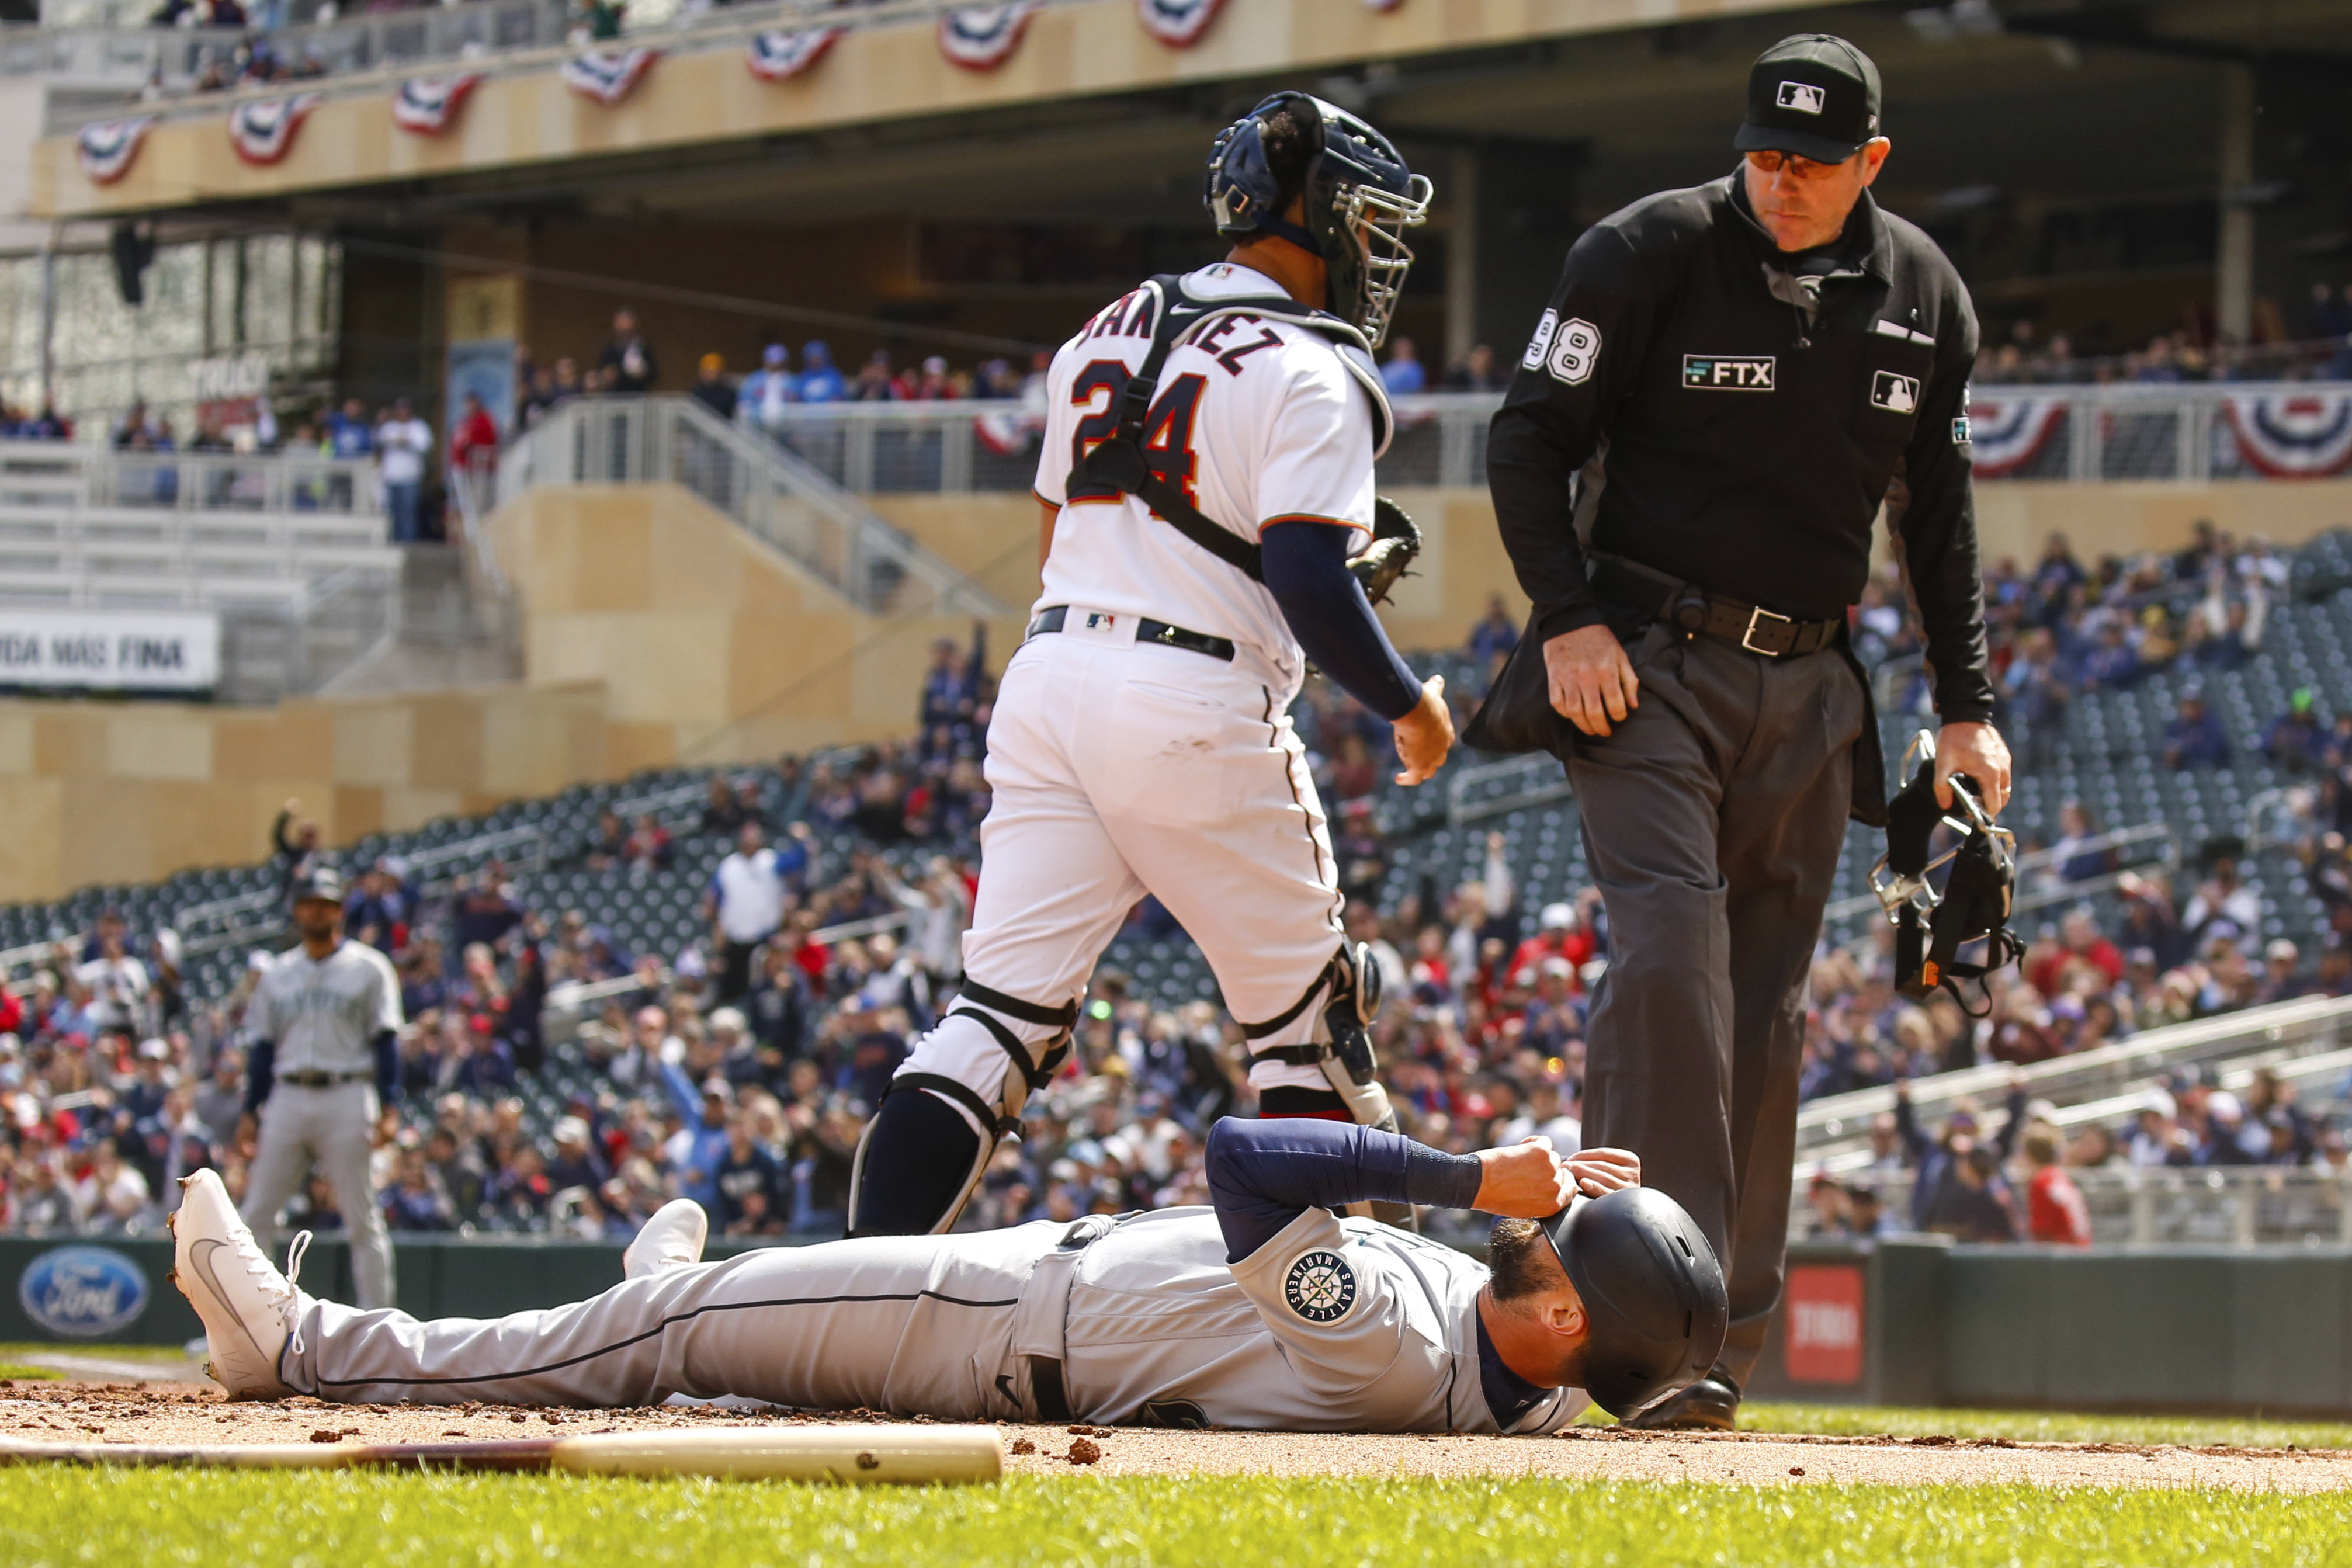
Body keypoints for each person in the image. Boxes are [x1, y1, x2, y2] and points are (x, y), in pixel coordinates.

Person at [1477, 34, 2006, 1429]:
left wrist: (1967, 708)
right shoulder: (1644, 250)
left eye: (1815, 163)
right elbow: (1526, 438)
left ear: (1870, 164)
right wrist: (1570, 616)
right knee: (1670, 961)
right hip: (1643, 662)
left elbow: (1939, 520)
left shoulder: (1925, 296)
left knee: (1763, 1018)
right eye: (1766, 152)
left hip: (1815, 683)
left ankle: (1710, 1346)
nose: (1782, 180)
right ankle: (1652, 1323)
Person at [843, 93, 1456, 1239]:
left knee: (997, 1018)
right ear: (1317, 210)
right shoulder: (1318, 363)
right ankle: (1351, 1345)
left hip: (1049, 677)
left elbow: (1057, 534)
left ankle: (850, 1293)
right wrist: (1408, 703)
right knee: (1305, 1026)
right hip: (1192, 697)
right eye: (1369, 220)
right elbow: (1314, 583)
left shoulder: (1111, 322)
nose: (1379, 248)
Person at [168, 1114, 1726, 1431]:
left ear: (1568, 1316)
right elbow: (1626, 1381)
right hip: (1018, 1291)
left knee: (668, 1326)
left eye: (1561, 1246)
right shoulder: (1517, 1376)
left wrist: (1469, 1175)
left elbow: (1246, 1152)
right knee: (728, 1306)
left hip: (988, 1325)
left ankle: (300, 1342)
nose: (1540, 1221)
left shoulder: (1394, 1335)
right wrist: (1647, 1359)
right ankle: (699, 1309)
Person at [236, 869, 405, 1309]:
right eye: (309, 902)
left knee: (362, 1220)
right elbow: (261, 1048)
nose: (316, 910)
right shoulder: (277, 972)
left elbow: (386, 1041)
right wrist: (250, 1111)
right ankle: (248, 1325)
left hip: (346, 1092)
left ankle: (379, 1327)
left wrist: (391, 1105)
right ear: (296, 910)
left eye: (325, 903)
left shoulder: (370, 967)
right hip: (287, 1095)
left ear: (340, 910)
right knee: (254, 1217)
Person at [374, 398, 432, 544]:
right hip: (391, 477)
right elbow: (379, 443)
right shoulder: (389, 427)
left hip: (410, 477)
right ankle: (392, 542)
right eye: (400, 409)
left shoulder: (419, 427)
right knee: (392, 514)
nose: (403, 412)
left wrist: (407, 441)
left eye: (405, 409)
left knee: (408, 514)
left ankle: (407, 546)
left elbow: (426, 446)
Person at [599, 308, 658, 393]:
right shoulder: (610, 349)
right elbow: (602, 368)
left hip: (637, 395)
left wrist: (644, 372)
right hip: (615, 397)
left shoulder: (642, 347)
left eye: (627, 321)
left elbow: (654, 373)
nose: (624, 326)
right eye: (621, 322)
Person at [689, 353, 737, 420]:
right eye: (706, 371)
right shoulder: (695, 392)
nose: (709, 374)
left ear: (721, 372)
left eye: (713, 372)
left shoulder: (729, 394)